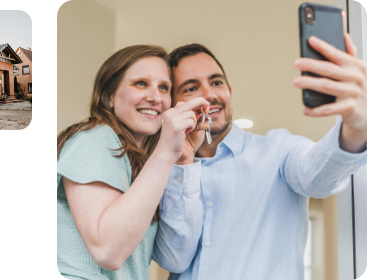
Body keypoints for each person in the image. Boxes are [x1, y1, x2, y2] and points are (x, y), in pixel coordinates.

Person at [152, 33, 367, 280]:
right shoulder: (162, 172)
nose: (210, 94)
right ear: (172, 106)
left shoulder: (277, 150)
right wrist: (182, 164)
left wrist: (355, 129)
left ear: (229, 91)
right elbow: (172, 259)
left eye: (217, 82)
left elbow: (316, 175)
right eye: (191, 88)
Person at [57, 44, 210, 280]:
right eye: (141, 83)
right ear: (109, 96)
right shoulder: (95, 137)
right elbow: (107, 251)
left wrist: (185, 157)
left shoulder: (144, 165)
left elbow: (174, 259)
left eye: (163, 87)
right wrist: (166, 151)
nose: (155, 97)